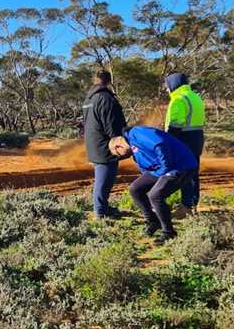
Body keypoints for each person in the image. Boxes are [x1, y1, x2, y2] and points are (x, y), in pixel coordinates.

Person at [108, 126, 198, 244]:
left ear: (118, 146)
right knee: (135, 189)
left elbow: (160, 143)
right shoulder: (135, 153)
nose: (121, 157)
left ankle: (169, 232)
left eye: (118, 154)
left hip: (181, 165)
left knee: (155, 195)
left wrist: (165, 167)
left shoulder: (136, 133)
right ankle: (153, 221)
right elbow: (146, 170)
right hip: (163, 169)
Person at [82, 70, 127, 219]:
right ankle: (100, 212)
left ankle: (103, 208)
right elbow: (112, 124)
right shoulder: (105, 98)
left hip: (93, 143)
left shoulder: (89, 99)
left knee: (102, 177)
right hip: (105, 145)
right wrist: (120, 139)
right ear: (109, 81)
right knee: (104, 178)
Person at [164, 73, 205, 216]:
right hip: (197, 139)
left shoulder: (179, 99)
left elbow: (175, 125)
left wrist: (168, 142)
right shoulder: (196, 97)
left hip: (183, 140)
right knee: (193, 173)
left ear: (173, 84)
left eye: (167, 86)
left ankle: (185, 207)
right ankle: (192, 205)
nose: (167, 90)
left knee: (183, 174)